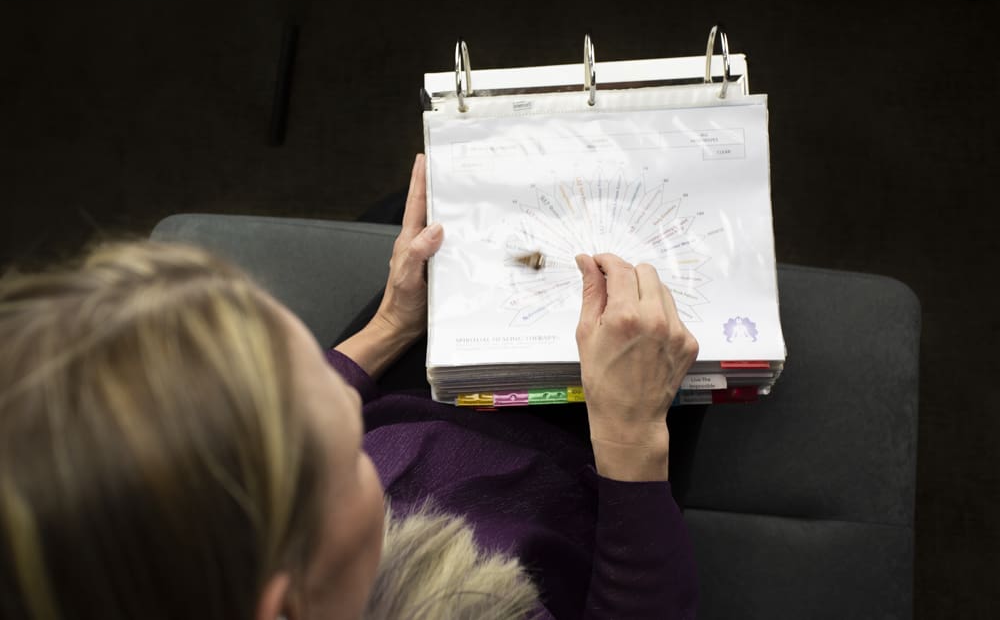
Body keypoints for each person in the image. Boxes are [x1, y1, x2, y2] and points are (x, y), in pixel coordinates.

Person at [0, 154, 700, 619]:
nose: (342, 381)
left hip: (449, 419)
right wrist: (633, 436)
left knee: (411, 207)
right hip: (587, 476)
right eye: (342, 442)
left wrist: (388, 324)